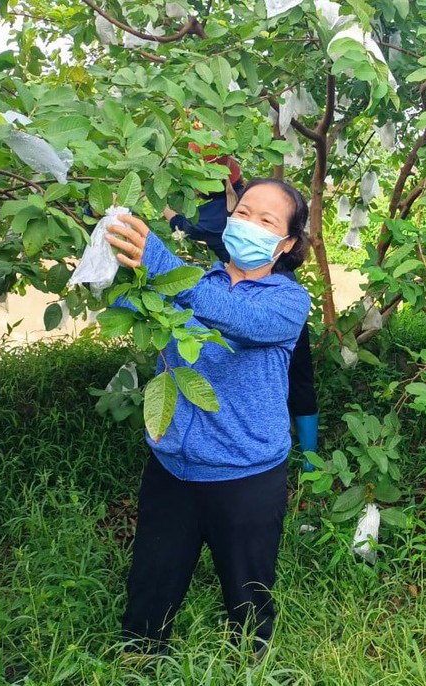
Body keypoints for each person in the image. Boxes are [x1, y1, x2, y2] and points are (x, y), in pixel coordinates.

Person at [105, 179, 312, 657]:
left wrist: (162, 267)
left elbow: (237, 318)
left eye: (267, 221)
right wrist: (110, 264)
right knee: (151, 583)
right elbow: (126, 307)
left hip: (247, 475)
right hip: (172, 467)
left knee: (249, 591)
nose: (249, 224)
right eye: (244, 213)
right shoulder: (193, 281)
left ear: (285, 244)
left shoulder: (286, 301)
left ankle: (250, 658)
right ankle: (140, 657)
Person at [163, 147, 320, 467]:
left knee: (271, 374)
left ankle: (305, 459)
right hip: (232, 292)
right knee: (292, 376)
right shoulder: (234, 204)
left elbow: (184, 226)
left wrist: (162, 208)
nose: (249, 222)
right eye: (246, 215)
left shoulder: (215, 213)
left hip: (263, 302)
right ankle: (308, 458)